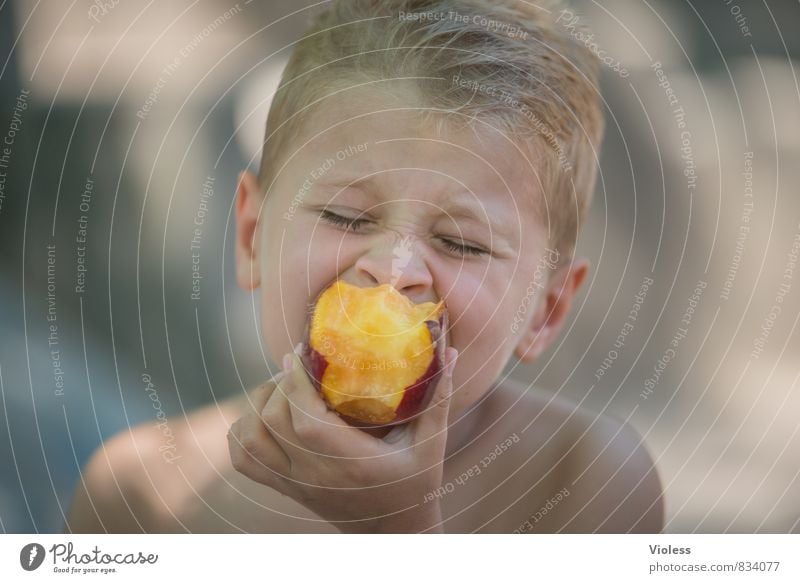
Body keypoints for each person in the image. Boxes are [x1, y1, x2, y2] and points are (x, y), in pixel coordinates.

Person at [66, 0, 663, 533]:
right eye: (346, 217)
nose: (392, 270)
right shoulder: (142, 496)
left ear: (545, 308)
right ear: (252, 237)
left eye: (462, 243)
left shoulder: (586, 484)